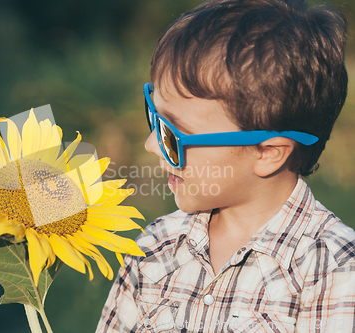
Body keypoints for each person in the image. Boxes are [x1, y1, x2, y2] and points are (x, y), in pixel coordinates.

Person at [96, 0, 355, 331]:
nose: (150, 145)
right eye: (154, 117)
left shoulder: (332, 269)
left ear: (267, 153)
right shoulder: (153, 248)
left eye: (173, 134)